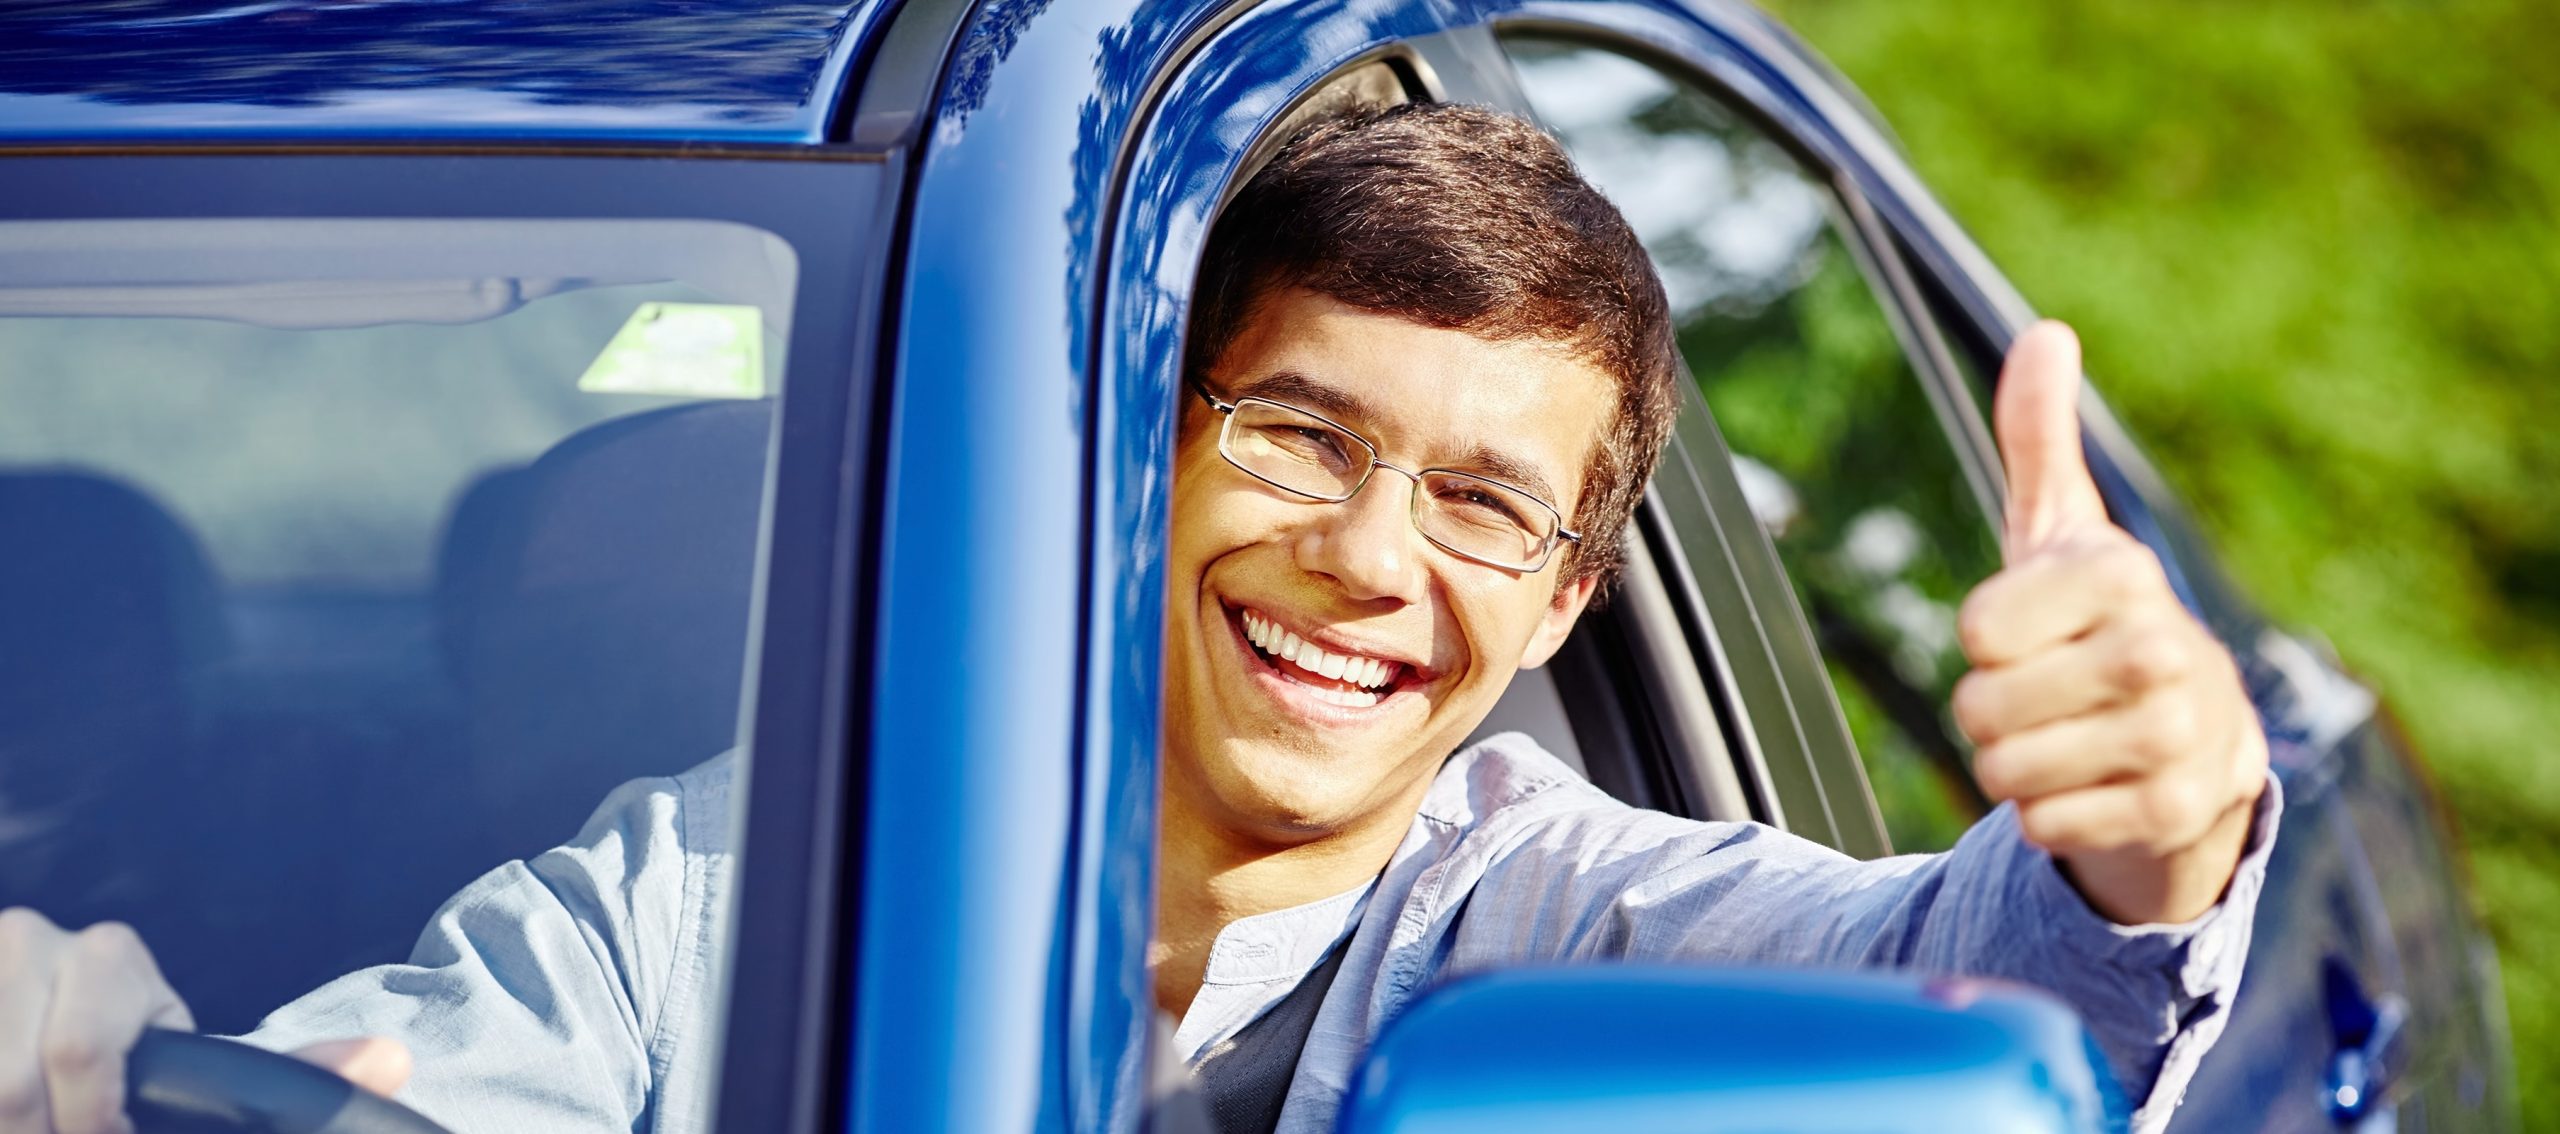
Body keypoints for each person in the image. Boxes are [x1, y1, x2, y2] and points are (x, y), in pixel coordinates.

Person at [0, 103, 2274, 1134]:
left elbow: (1986, 1004)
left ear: (1572, 596)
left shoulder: (1591, 920)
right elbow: (418, 1090)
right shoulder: (735, 868)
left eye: (1483, 506)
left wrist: (2140, 844)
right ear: (1139, 452)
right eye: (1297, 437)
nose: (1371, 561)